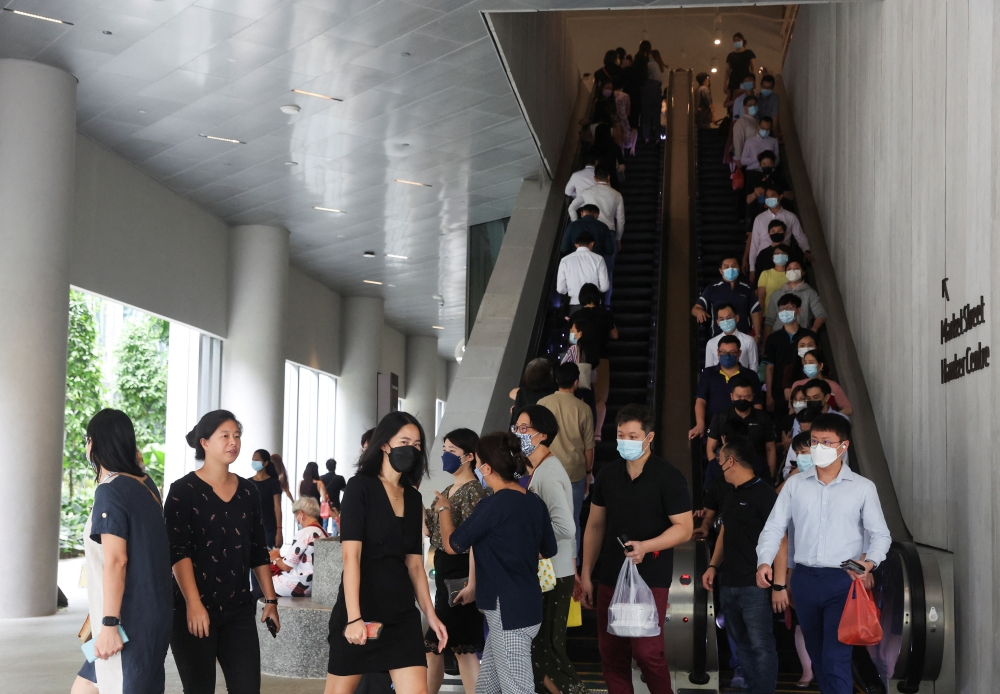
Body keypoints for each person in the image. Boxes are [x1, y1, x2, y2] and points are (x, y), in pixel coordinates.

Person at [756, 415, 892, 694]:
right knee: (818, 656)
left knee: (835, 657)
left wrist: (867, 563)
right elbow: (774, 527)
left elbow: (880, 534)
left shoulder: (862, 487)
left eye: (826, 443)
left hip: (842, 580)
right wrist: (764, 561)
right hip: (805, 580)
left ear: (843, 446)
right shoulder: (795, 485)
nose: (819, 448)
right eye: (814, 442)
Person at [325, 411, 447, 693]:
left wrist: (431, 615)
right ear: (384, 444)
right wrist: (354, 617)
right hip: (361, 608)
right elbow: (351, 557)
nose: (411, 449)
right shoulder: (359, 488)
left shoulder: (414, 498)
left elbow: (415, 566)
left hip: (401, 614)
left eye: (417, 445)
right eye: (404, 441)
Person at [580, 404, 694, 694]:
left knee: (648, 652)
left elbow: (684, 528)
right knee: (611, 652)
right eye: (621, 435)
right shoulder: (607, 475)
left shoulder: (668, 477)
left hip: (650, 577)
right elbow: (594, 526)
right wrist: (586, 574)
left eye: (633, 435)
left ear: (649, 437)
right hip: (610, 575)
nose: (626, 441)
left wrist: (647, 546)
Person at [165, 410, 280, 694]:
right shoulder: (183, 491)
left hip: (238, 609)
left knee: (247, 688)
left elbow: (257, 549)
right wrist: (193, 604)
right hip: (193, 609)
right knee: (199, 688)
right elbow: (177, 553)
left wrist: (270, 599)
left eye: (237, 436)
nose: (234, 443)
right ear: (204, 442)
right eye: (225, 436)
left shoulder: (248, 491)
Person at [439, 432, 557, 694]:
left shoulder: (491, 505)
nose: (478, 469)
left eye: (479, 463)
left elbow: (453, 544)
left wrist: (444, 509)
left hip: (507, 609)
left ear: (488, 468)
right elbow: (548, 549)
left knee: (518, 689)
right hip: (527, 603)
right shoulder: (534, 502)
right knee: (488, 687)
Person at [72, 409, 172, 694]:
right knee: (84, 687)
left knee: (120, 685)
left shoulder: (111, 490)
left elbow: (117, 560)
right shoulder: (145, 484)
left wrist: (109, 625)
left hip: (125, 621)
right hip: (150, 613)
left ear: (94, 443)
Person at [511, 406, 586, 694]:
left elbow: (566, 527)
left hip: (553, 573)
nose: (518, 433)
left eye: (524, 429)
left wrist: (533, 546)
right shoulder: (540, 470)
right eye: (516, 427)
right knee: (541, 651)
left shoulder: (549, 473)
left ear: (543, 435)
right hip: (552, 571)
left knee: (549, 650)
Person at [702, 436, 782, 694]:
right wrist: (713, 565)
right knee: (741, 643)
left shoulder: (765, 495)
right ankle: (752, 688)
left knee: (761, 644)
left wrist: (779, 584)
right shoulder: (731, 494)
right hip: (729, 583)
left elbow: (781, 540)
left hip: (755, 585)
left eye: (719, 460)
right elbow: (725, 532)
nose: (717, 465)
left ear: (731, 461)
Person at [424, 429, 487, 694]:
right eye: (445, 449)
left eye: (452, 451)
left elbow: (474, 541)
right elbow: (430, 529)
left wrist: (472, 583)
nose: (445, 455)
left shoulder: (474, 491)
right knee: (442, 644)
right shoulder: (450, 489)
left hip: (460, 574)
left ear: (469, 457)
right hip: (446, 574)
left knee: (458, 646)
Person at [537, 367, 595, 553]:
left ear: (556, 380)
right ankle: (571, 568)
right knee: (572, 521)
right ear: (576, 382)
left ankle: (544, 564)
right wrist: (588, 473)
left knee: (544, 518)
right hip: (574, 472)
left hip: (545, 471)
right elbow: (589, 447)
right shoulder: (584, 408)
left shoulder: (542, 404)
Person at [689, 336, 763, 440]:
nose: (727, 356)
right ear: (718, 353)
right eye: (723, 352)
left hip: (743, 430)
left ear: (739, 353)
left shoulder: (750, 375)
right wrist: (700, 425)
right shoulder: (708, 373)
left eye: (732, 353)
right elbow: (700, 400)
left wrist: (755, 426)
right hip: (714, 428)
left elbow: (757, 404)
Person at [569, 283, 618, 435]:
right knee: (600, 398)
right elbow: (615, 335)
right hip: (602, 357)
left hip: (581, 359)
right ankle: (597, 433)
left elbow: (572, 340)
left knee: (580, 395)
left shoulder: (576, 316)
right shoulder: (606, 314)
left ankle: (580, 430)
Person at [706, 377, 777, 481]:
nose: (742, 400)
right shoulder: (721, 417)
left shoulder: (763, 418)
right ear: (732, 396)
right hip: (727, 471)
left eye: (747, 397)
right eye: (738, 396)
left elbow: (770, 449)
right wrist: (720, 472)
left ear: (753, 396)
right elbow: (710, 448)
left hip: (757, 471)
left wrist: (770, 476)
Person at [762, 294, 817, 414]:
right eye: (781, 309)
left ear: (798, 310)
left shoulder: (809, 337)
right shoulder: (773, 338)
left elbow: (818, 361)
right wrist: (769, 395)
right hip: (779, 391)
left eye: (789, 307)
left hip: (807, 388)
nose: (785, 311)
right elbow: (769, 368)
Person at [747, 184, 812, 278]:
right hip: (764, 259)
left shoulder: (790, 217)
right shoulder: (759, 219)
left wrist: (806, 250)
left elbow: (800, 236)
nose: (769, 198)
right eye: (767, 196)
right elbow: (754, 245)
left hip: (783, 258)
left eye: (772, 195)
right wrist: (752, 269)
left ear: (780, 196)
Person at [692, 256, 762, 340]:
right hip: (719, 338)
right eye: (726, 267)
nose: (730, 269)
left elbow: (755, 312)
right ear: (721, 271)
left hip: (743, 338)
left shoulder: (747, 289)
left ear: (739, 269)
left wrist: (757, 334)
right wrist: (699, 312)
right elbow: (695, 309)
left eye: (733, 266)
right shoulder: (712, 289)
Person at [269, 496, 328, 597]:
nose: (297, 520)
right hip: (314, 585)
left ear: (301, 514)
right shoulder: (323, 533)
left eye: (296, 515)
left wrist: (275, 558)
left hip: (296, 584)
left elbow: (286, 566)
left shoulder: (305, 533)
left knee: (257, 593)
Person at [763, 260, 826, 335]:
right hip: (778, 336)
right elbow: (770, 320)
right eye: (789, 269)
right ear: (786, 273)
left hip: (801, 336)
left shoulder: (810, 293)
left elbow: (821, 314)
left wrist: (813, 330)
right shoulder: (776, 294)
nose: (792, 271)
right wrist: (766, 342)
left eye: (796, 268)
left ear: (803, 272)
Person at [560, 205, 617, 288]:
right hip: (596, 264)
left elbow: (564, 248)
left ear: (582, 213)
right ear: (597, 215)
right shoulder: (603, 227)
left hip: (575, 264)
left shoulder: (572, 226)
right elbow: (610, 250)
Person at [556, 231, 609, 314]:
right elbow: (605, 287)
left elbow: (560, 289)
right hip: (593, 305)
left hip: (573, 304)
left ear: (576, 245)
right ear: (592, 243)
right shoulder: (599, 259)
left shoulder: (564, 260)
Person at [786, 349, 852, 415]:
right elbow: (792, 410)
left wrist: (830, 417)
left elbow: (848, 409)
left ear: (820, 365)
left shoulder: (833, 386)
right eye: (805, 363)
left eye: (811, 362)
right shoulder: (797, 384)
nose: (807, 366)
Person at [568, 168, 625, 240]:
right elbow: (621, 220)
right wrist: (618, 238)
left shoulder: (587, 192)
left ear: (594, 178)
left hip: (590, 231)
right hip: (609, 231)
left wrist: (577, 223)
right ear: (608, 177)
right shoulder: (617, 195)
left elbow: (571, 208)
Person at [704, 303, 759, 371]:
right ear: (717, 322)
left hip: (742, 380)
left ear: (736, 318)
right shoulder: (711, 343)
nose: (726, 321)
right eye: (722, 319)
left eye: (729, 318)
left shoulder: (749, 341)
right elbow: (708, 369)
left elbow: (754, 366)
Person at [250, 449, 284, 548]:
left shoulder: (273, 483)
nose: (254, 462)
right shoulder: (248, 483)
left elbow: (277, 508)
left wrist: (279, 531)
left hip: (269, 528)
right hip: (252, 528)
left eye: (257, 459)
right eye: (253, 459)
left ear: (265, 463)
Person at [510, 358, 557, 424]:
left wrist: (514, 410)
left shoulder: (523, 392)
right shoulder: (555, 391)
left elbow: (516, 417)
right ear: (549, 374)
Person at [756, 244, 790, 318]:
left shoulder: (792, 274)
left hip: (789, 314)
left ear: (788, 256)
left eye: (783, 253)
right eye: (777, 253)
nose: (780, 255)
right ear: (772, 257)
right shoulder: (765, 274)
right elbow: (761, 297)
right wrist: (760, 317)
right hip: (770, 315)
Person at [642, 50, 666, 142]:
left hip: (649, 89)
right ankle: (657, 137)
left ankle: (646, 137)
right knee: (656, 115)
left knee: (646, 115)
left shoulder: (650, 65)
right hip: (657, 91)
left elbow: (646, 75)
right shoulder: (662, 67)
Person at [725, 33, 757, 98]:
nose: (737, 42)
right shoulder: (731, 55)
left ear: (742, 40)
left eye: (738, 40)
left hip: (745, 79)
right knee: (733, 101)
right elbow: (727, 71)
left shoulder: (748, 53)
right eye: (735, 41)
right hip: (734, 81)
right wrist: (725, 84)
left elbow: (753, 68)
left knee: (747, 99)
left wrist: (754, 81)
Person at [731, 93, 759, 161]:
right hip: (748, 158)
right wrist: (738, 158)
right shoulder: (741, 122)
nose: (753, 107)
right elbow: (738, 141)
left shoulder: (758, 121)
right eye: (750, 105)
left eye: (755, 105)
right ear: (744, 107)